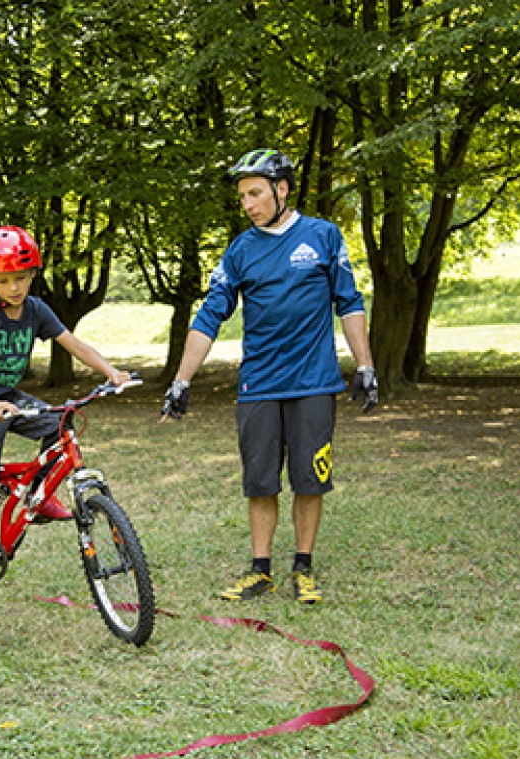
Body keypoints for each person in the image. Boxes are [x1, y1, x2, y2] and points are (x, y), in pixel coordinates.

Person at [160, 148, 379, 605]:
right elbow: (208, 317)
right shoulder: (240, 250)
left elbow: (350, 302)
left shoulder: (323, 236)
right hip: (259, 384)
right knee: (260, 480)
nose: (248, 204)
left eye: (255, 193)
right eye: (242, 196)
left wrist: (365, 365)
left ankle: (303, 567)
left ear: (281, 190)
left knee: (309, 478)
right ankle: (261, 571)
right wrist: (182, 379)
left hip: (313, 383)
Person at [0, 225, 130, 609]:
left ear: (33, 274)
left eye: (21, 278)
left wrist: (111, 372)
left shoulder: (36, 309)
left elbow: (72, 343)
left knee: (60, 423)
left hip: (8, 397)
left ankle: (38, 496)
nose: (14, 287)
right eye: (4, 280)